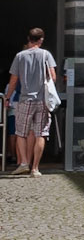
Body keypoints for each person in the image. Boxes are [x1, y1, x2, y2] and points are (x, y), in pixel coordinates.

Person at [5, 27, 59, 177]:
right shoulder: (46, 55)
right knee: (41, 133)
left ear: (29, 39)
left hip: (25, 100)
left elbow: (13, 81)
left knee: (21, 133)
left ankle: (23, 163)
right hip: (42, 100)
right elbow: (53, 77)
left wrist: (7, 97)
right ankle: (35, 168)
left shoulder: (20, 56)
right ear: (41, 40)